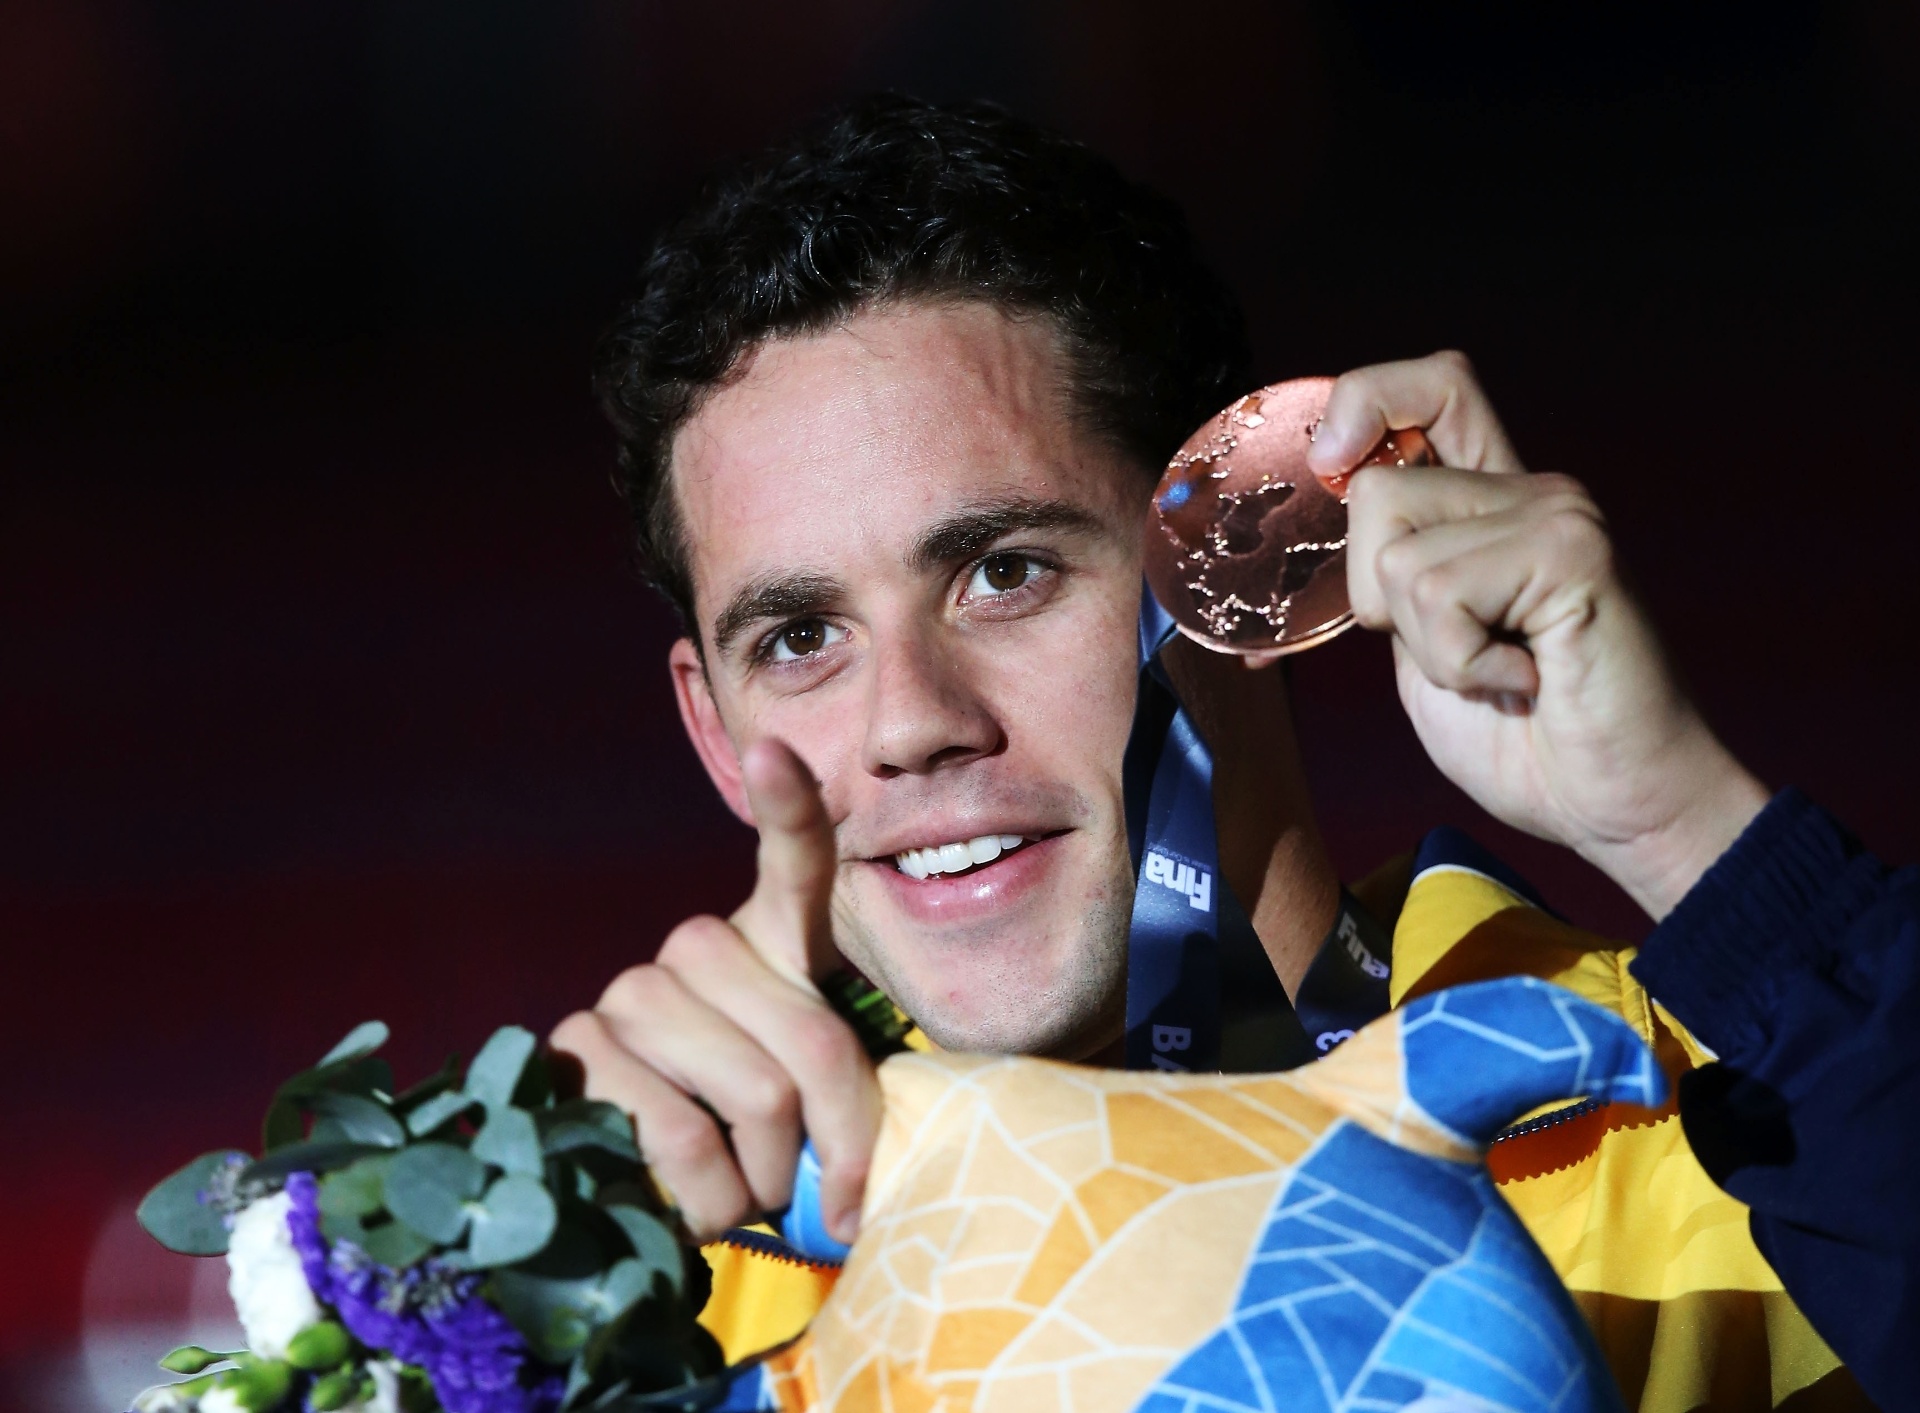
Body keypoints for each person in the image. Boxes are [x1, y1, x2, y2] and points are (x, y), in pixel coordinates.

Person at [551, 95, 1910, 1407]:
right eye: (799, 638)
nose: (907, 723)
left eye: (1006, 571)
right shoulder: (658, 1293)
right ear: (716, 732)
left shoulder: (1753, 1122)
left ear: (1251, 558)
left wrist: (1682, 829)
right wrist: (513, 1279)